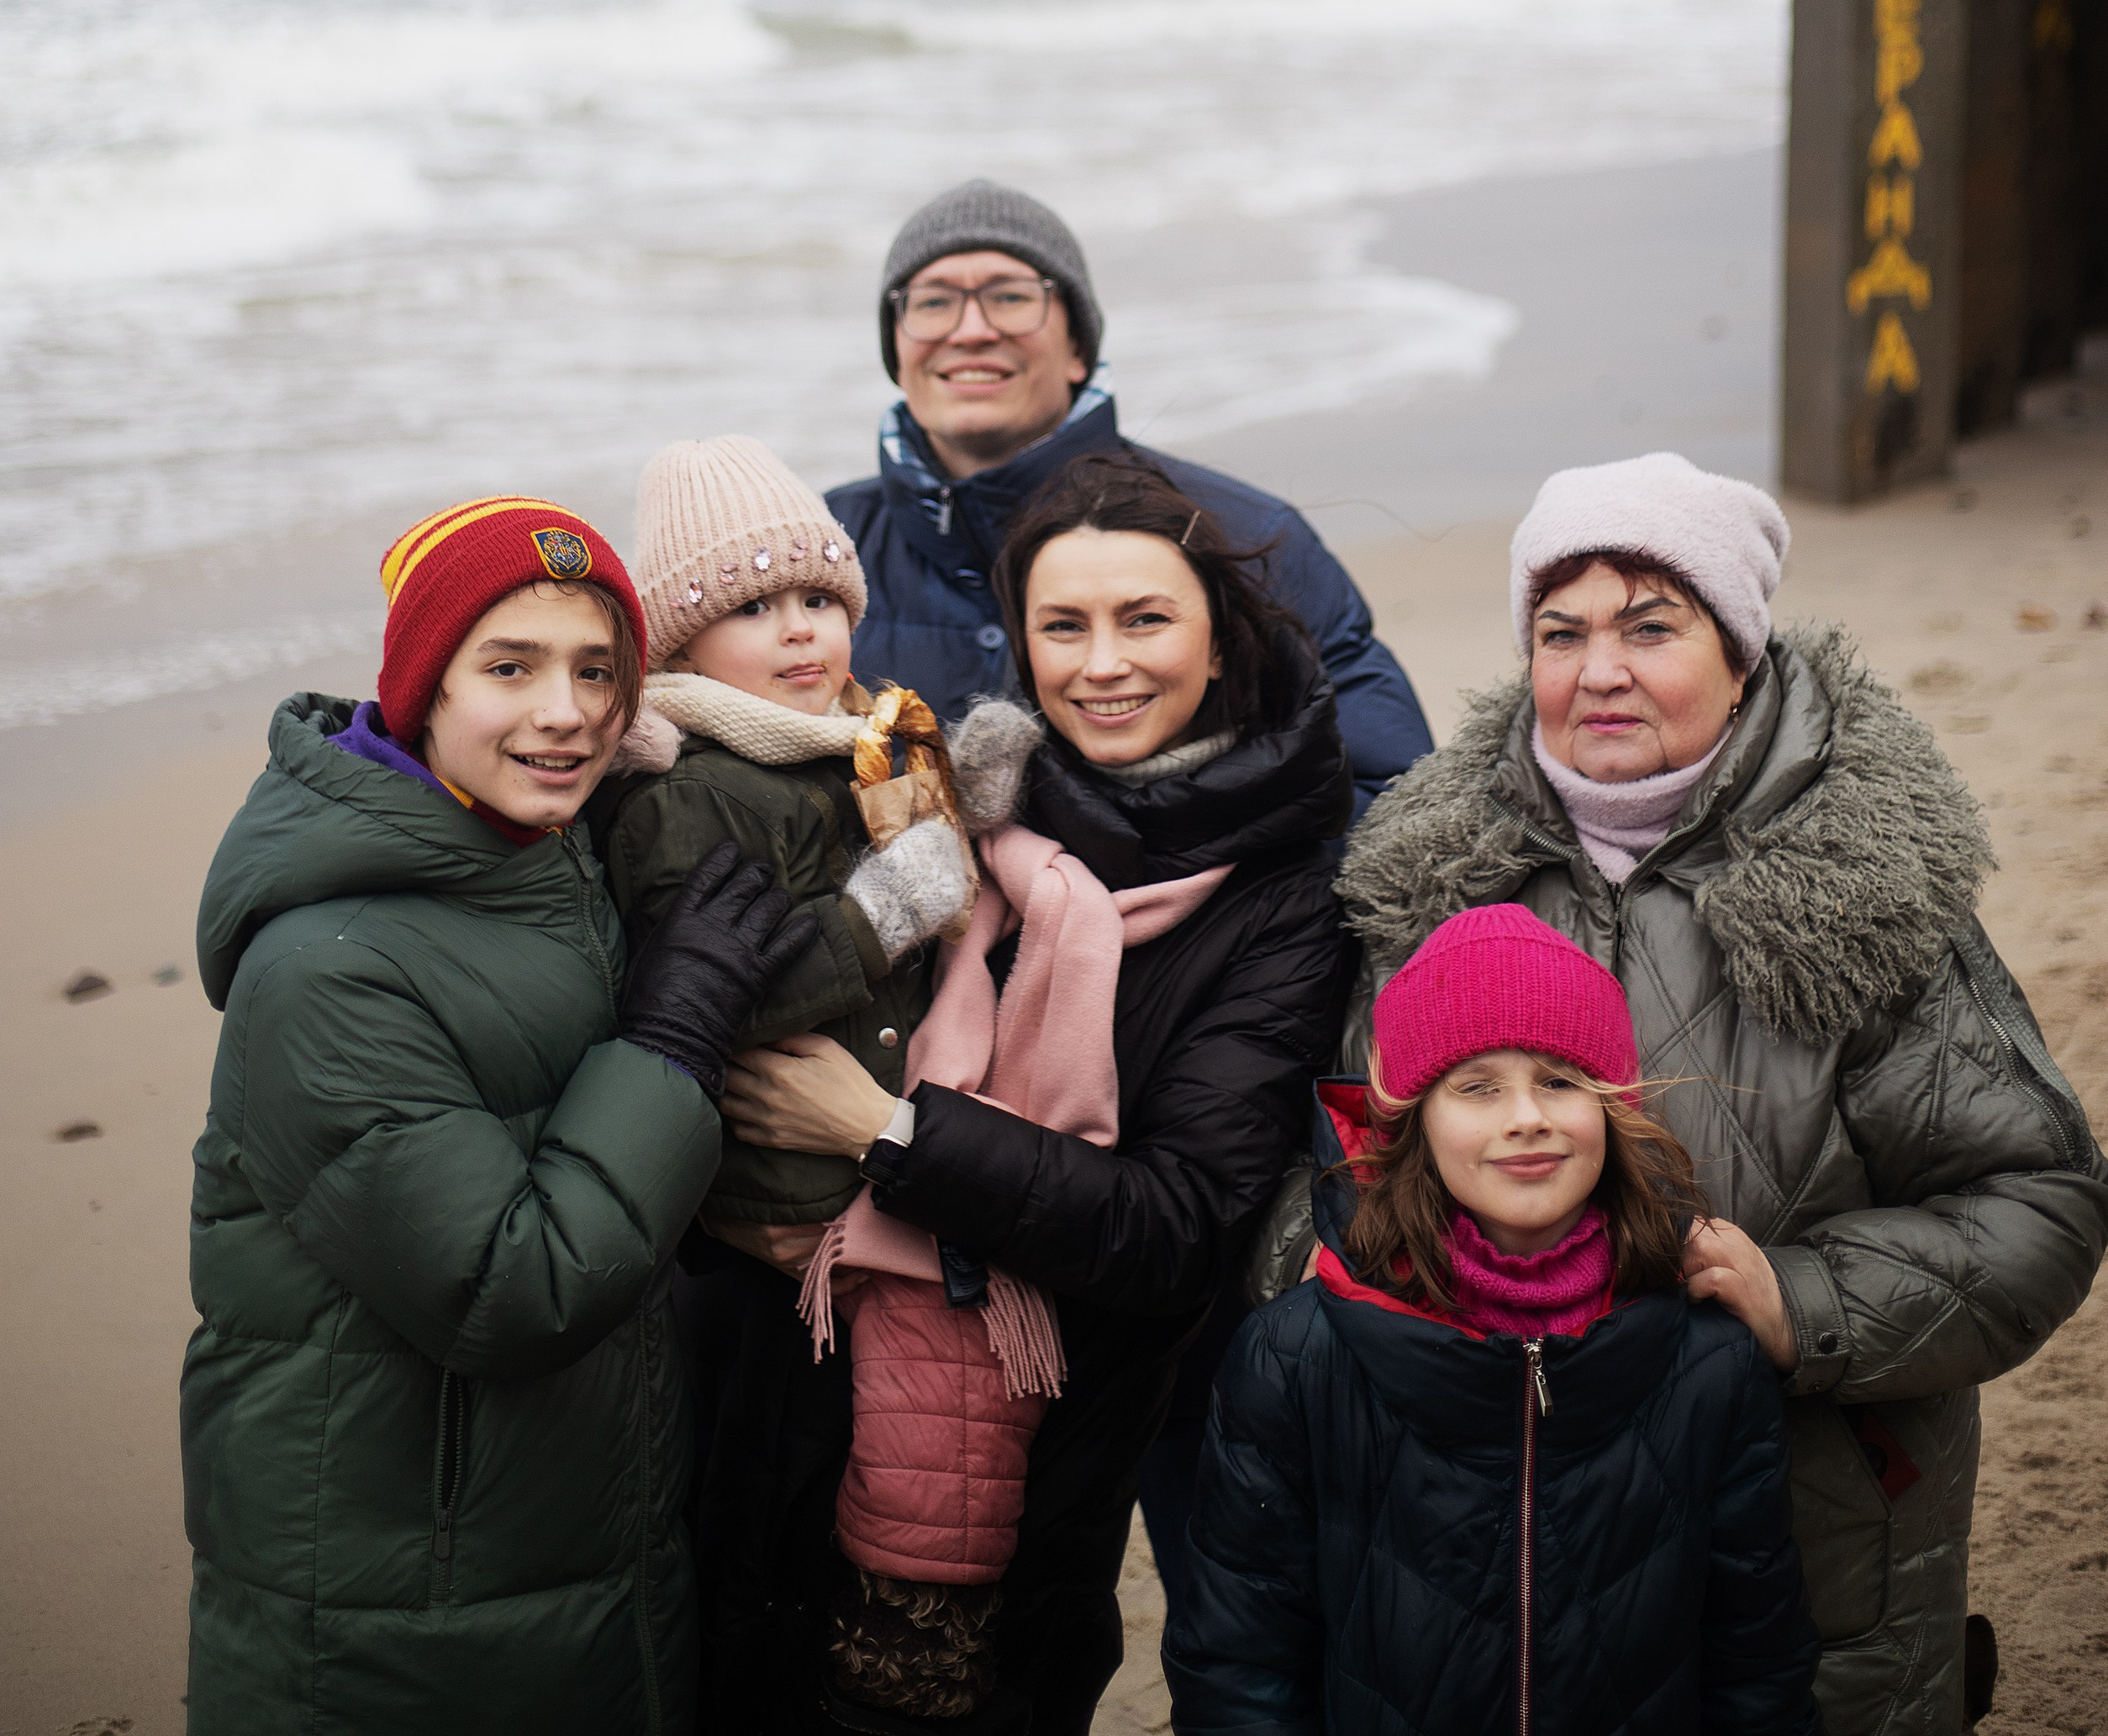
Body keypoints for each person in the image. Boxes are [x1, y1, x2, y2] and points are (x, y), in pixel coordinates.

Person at [1336, 450, 2108, 1736]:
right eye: (1562, 632)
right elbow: (1338, 1175)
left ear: (1740, 652)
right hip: (1504, 1532)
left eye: (1652, 627)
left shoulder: (1867, 887)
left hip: (1816, 1531)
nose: (1600, 671)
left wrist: (1802, 1305)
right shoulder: (1434, 882)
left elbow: (2039, 1203)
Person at [720, 450, 1356, 1736]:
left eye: (1145, 619)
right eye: (1063, 626)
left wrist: (888, 1135)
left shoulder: (1282, 898)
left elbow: (1174, 1229)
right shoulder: (949, 804)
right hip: (795, 1377)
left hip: (1039, 1446)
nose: (1101, 664)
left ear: (1220, 643)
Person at [182, 495, 822, 1736]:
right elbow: (509, 1288)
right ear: (423, 688)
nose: (566, 711)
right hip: (398, 1613)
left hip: (576, 1549)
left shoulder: (552, 864)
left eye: (597, 670)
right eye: (510, 667)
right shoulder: (326, 970)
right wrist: (670, 1043)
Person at [1165, 904, 1822, 1733]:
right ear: (1414, 1120)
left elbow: (1758, 1661)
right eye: (1477, 1087)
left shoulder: (1709, 1355)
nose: (1526, 1116)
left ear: (1612, 1106)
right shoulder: (1293, 1357)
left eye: (1560, 1080)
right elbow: (1238, 1665)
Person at [588, 436, 975, 1731]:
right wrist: (885, 912)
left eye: (817, 596)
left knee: (881, 1505)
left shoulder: (860, 744)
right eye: (752, 608)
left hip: (875, 1201)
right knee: (770, 1518)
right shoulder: (688, 795)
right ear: (682, 645)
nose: (799, 629)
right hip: (773, 1238)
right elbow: (716, 997)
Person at [825, 179, 1431, 808]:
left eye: (1010, 296)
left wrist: (1220, 867)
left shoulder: (1244, 534)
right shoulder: (818, 549)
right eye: (933, 302)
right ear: (897, 350)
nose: (971, 330)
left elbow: (1395, 795)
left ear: (1078, 348)